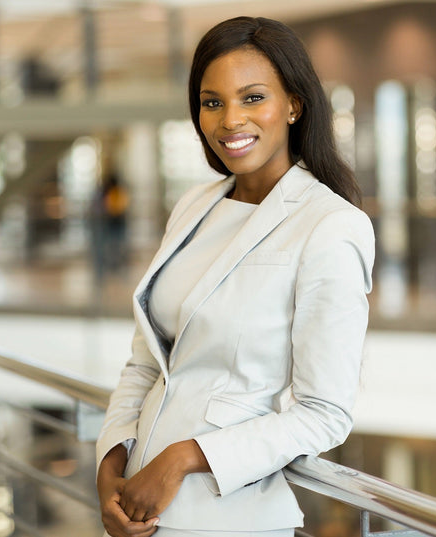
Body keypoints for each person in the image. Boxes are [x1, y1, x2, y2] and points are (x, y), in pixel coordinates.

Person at [95, 16, 375, 537]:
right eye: (212, 101)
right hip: (138, 511)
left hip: (231, 520)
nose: (230, 120)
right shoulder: (194, 205)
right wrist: (111, 465)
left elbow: (325, 412)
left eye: (252, 98)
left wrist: (183, 458)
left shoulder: (331, 226)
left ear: (293, 105)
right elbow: (146, 364)